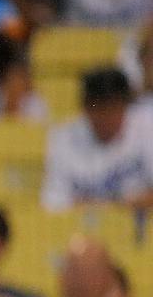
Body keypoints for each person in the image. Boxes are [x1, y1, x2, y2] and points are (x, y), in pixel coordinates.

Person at [42, 67, 153, 213]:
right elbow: (52, 202)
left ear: (126, 105)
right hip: (84, 230)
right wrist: (111, 207)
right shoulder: (64, 137)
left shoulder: (147, 125)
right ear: (85, 108)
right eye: (99, 108)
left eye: (113, 107)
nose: (106, 117)